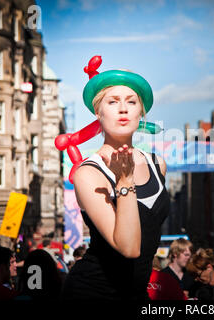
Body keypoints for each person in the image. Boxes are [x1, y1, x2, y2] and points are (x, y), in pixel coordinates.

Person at [61, 57, 170, 300]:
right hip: (94, 293)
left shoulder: (157, 163)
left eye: (131, 102)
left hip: (135, 292)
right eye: (113, 102)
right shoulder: (88, 173)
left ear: (140, 112)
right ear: (98, 113)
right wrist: (124, 181)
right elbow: (129, 248)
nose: (123, 108)